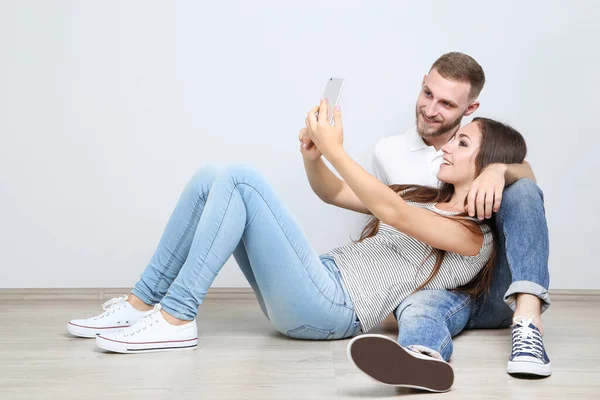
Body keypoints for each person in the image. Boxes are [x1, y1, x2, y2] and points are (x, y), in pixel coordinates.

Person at [67, 99, 522, 367]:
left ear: (485, 164)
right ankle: (139, 305)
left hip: (333, 309)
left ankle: (176, 318)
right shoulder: (425, 196)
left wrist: (336, 147)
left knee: (243, 179)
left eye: (463, 142)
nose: (448, 142)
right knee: (213, 177)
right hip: (319, 280)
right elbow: (333, 192)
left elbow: (393, 212)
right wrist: (313, 156)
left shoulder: (473, 238)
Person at [348, 52, 550, 391]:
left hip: (489, 285)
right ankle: (421, 359)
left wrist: (498, 170)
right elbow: (387, 222)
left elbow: (527, 174)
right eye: (428, 94)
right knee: (420, 306)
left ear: (470, 109)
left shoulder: (482, 143)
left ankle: (528, 321)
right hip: (435, 286)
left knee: (524, 188)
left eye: (447, 104)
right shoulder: (388, 152)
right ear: (422, 84)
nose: (430, 110)